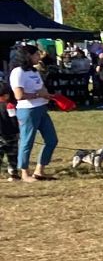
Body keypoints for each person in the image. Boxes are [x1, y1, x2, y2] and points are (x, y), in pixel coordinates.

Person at [9, 44, 57, 181]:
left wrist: (49, 95)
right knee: (27, 141)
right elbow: (19, 95)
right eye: (36, 54)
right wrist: (38, 94)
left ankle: (39, 170)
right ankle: (24, 173)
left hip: (41, 108)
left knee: (52, 140)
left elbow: (42, 88)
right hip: (28, 110)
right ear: (28, 56)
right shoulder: (18, 72)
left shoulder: (34, 71)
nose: (39, 56)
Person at [0, 84, 18, 180]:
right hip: (11, 135)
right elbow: (14, 119)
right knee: (12, 155)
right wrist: (18, 131)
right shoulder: (10, 105)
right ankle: (13, 173)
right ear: (6, 95)